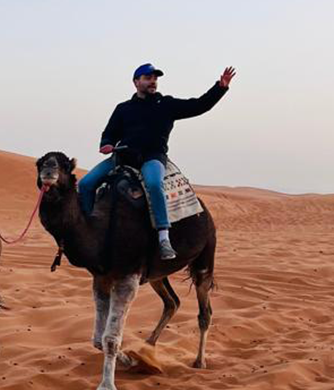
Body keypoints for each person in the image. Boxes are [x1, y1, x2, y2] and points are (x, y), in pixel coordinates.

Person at [79, 63, 236, 259]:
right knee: (85, 184)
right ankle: (88, 230)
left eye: (155, 78)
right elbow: (109, 133)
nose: (153, 81)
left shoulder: (167, 105)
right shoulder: (123, 109)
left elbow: (199, 105)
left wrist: (220, 88)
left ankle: (163, 237)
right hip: (122, 157)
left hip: (152, 157)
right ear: (136, 82)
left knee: (154, 184)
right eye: (148, 77)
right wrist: (106, 144)